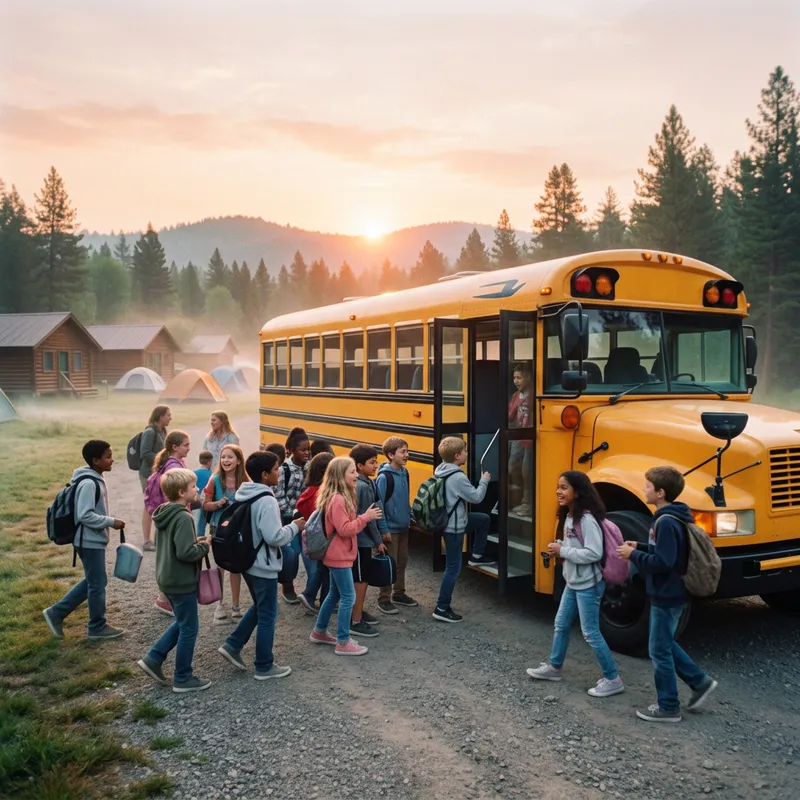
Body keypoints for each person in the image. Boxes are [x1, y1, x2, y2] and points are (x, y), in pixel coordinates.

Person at [617, 467, 718, 722]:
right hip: (672, 593)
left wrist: (634, 556)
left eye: (648, 486)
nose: (644, 489)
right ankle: (699, 682)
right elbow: (665, 551)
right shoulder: (672, 517)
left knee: (659, 651)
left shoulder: (665, 522)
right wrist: (639, 545)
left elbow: (664, 562)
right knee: (664, 643)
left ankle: (668, 706)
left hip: (667, 594)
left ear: (660, 493)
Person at [526, 471, 625, 698]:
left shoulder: (586, 519)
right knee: (561, 624)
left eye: (564, 488)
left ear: (578, 491)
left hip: (588, 584)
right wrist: (562, 545)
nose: (559, 492)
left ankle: (613, 678)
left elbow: (593, 552)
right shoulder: (570, 515)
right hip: (574, 581)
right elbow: (577, 544)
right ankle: (554, 667)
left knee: (590, 632)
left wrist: (564, 551)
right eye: (558, 487)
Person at [217, 451, 302, 679]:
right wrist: (295, 527)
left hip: (248, 561)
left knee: (260, 606)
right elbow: (274, 536)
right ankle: (264, 665)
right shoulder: (266, 500)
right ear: (265, 475)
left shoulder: (246, 493)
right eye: (275, 469)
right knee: (268, 615)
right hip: (263, 565)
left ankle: (233, 645)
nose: (278, 473)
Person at [137, 468, 212, 693]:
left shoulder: (164, 512)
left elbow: (176, 545)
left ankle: (154, 658)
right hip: (181, 582)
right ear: (182, 492)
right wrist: (204, 545)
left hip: (167, 579)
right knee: (189, 628)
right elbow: (185, 553)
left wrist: (195, 541)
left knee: (182, 621)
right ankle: (183, 677)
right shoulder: (183, 516)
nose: (197, 489)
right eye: (193, 487)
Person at [43, 440, 126, 640]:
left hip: (90, 539)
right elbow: (84, 515)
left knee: (95, 580)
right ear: (95, 460)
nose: (112, 459)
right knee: (97, 583)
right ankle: (96, 626)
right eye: (108, 456)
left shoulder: (94, 478)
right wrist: (111, 521)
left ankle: (56, 613)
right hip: (88, 540)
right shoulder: (89, 483)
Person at [309, 457, 382, 656]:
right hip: (339, 555)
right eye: (352, 472)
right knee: (348, 596)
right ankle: (343, 641)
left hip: (336, 554)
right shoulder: (339, 499)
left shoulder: (336, 496)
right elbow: (344, 530)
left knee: (335, 594)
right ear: (341, 476)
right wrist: (366, 517)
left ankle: (320, 631)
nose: (356, 475)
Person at [432, 437, 493, 623]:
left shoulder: (441, 470)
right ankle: (442, 607)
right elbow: (476, 498)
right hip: (454, 528)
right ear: (457, 455)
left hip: (451, 522)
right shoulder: (457, 476)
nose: (467, 453)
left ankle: (476, 556)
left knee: (483, 520)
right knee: (453, 568)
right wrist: (484, 481)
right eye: (465, 451)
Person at [145, 430, 191, 617]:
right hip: (175, 518)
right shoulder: (173, 466)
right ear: (175, 447)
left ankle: (165, 598)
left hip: (169, 517)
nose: (189, 448)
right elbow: (173, 494)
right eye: (186, 445)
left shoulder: (169, 462)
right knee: (175, 559)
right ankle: (164, 600)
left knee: (170, 558)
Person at [203, 444, 247, 623]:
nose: (226, 460)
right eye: (223, 457)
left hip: (237, 529)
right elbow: (205, 504)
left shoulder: (245, 481)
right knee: (220, 566)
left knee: (235, 566)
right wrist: (217, 504)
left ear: (238, 461)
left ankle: (236, 605)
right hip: (218, 529)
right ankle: (219, 605)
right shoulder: (215, 480)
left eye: (230, 457)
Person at [375, 436, 416, 614]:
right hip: (390, 529)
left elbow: (404, 499)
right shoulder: (384, 477)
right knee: (389, 564)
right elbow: (379, 505)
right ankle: (384, 597)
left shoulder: (404, 473)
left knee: (402, 561)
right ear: (391, 455)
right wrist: (383, 530)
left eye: (407, 451)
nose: (407, 455)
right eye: (403, 452)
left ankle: (399, 593)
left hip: (403, 526)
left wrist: (410, 516)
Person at [349, 444, 386, 637]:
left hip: (361, 540)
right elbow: (368, 518)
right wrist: (378, 540)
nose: (376, 466)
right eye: (372, 463)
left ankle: (357, 612)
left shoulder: (366, 482)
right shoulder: (363, 486)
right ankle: (355, 620)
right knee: (361, 580)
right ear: (359, 465)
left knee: (359, 579)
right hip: (362, 541)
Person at [274, 427, 311, 604]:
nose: (306, 453)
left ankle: (311, 591)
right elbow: (278, 495)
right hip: (288, 517)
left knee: (309, 553)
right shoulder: (284, 470)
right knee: (291, 552)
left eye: (308, 450)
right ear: (292, 450)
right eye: (302, 450)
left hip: (307, 518)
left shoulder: (309, 467)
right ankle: (287, 586)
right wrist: (292, 514)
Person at [296, 452, 334, 613]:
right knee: (326, 571)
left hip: (312, 536)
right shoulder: (322, 493)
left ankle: (313, 596)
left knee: (322, 568)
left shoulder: (310, 490)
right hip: (323, 537)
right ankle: (317, 598)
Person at [139, 405, 171, 551]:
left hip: (158, 473)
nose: (170, 417)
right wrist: (162, 459)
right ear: (160, 416)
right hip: (147, 474)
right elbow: (144, 453)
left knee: (160, 503)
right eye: (168, 415)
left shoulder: (163, 431)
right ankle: (146, 541)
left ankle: (159, 539)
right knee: (149, 505)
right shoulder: (150, 432)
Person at [508, 364, 533, 517]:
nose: (516, 381)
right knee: (512, 467)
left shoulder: (533, 395)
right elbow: (510, 416)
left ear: (529, 378)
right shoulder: (516, 396)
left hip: (529, 438)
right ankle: (516, 498)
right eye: (514, 378)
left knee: (526, 471)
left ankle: (527, 503)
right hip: (518, 436)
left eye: (520, 377)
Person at [192, 450, 214, 538]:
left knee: (194, 520)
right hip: (205, 501)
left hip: (194, 501)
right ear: (209, 461)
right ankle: (200, 537)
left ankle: (194, 537)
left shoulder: (193, 473)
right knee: (202, 521)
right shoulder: (211, 475)